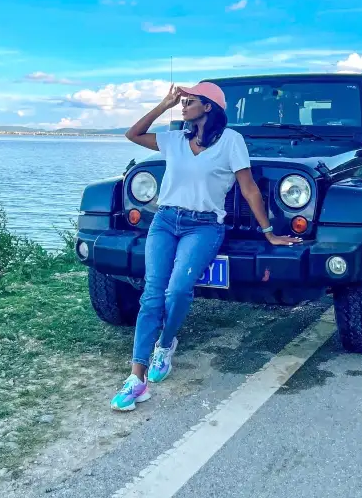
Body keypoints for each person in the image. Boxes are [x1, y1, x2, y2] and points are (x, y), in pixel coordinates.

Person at [110, 81, 303, 412]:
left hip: (204, 226)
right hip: (165, 221)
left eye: (189, 101)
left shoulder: (231, 142)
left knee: (178, 291)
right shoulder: (175, 140)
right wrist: (163, 105)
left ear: (209, 107)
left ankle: (165, 344)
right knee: (153, 293)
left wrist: (269, 232)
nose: (183, 106)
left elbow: (249, 189)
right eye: (182, 102)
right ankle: (136, 379)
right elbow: (133, 133)